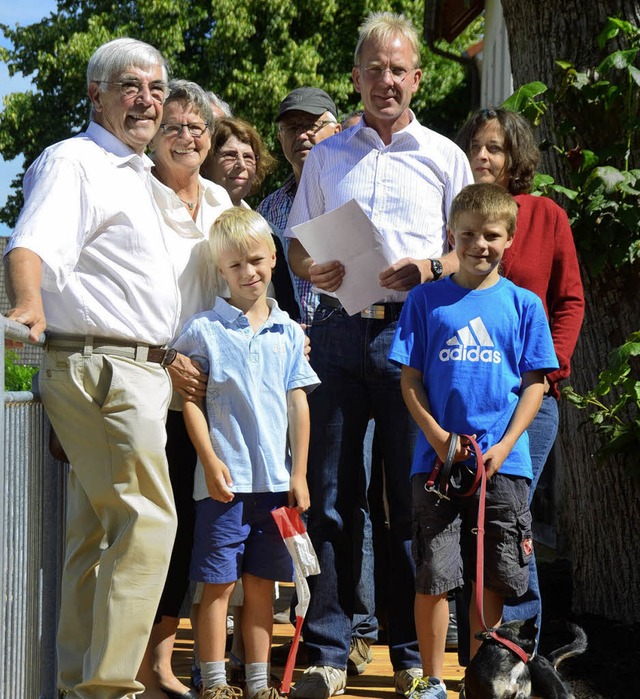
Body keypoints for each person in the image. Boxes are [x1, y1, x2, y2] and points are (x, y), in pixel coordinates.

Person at [285, 12, 473, 699]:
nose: (386, 80)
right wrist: (312, 269)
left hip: (412, 336)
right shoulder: (328, 156)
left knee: (411, 498)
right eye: (374, 68)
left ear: (417, 77)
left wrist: (432, 264)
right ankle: (330, 649)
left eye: (398, 69)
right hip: (336, 331)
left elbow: (467, 248)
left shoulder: (446, 155)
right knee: (331, 498)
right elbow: (296, 243)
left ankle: (411, 656)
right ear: (357, 77)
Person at [3, 38, 180, 699]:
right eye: (129, 85)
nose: (146, 99)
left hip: (130, 368)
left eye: (156, 88)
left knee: (94, 538)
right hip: (102, 364)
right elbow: (30, 243)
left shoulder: (137, 173)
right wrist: (26, 306)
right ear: (95, 95)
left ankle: (80, 681)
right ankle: (107, 689)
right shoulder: (75, 161)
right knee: (148, 521)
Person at [389, 182, 559, 699]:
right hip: (438, 463)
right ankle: (433, 679)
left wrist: (505, 447)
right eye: (467, 234)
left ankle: (479, 679)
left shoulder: (524, 305)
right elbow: (410, 379)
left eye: (491, 235)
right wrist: (440, 439)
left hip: (503, 464)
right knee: (434, 571)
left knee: (494, 572)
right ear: (451, 235)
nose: (479, 244)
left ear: (509, 239)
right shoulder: (425, 301)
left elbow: (536, 383)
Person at [173, 207, 320, 699]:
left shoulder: (289, 334)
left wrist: (298, 473)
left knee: (263, 587)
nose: (248, 273)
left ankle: (259, 683)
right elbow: (189, 401)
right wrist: (211, 462)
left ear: (274, 258)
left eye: (256, 260)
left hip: (276, 486)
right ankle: (214, 681)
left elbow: (298, 403)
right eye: (235, 266)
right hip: (222, 484)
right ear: (221, 271)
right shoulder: (204, 330)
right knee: (215, 585)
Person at [454, 108, 585, 653]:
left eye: (496, 148)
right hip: (465, 392)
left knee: (511, 516)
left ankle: (517, 646)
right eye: (476, 147)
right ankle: (472, 643)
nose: (483, 157)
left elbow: (570, 300)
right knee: (462, 514)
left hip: (528, 399)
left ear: (516, 158)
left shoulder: (545, 215)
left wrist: (545, 371)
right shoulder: (458, 210)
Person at [137, 78, 233, 699]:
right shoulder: (138, 193)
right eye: (174, 126)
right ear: (153, 138)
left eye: (198, 128)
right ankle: (144, 666)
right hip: (153, 385)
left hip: (214, 392)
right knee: (156, 527)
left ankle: (163, 665)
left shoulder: (222, 199)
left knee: (197, 529)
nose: (187, 137)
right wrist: (166, 357)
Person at [257, 87, 341, 326]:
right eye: (292, 128)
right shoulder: (267, 210)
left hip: (349, 338)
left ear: (338, 131)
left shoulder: (354, 193)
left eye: (311, 125)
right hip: (288, 342)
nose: (302, 135)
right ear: (280, 137)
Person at [203, 117, 299, 321]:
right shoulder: (194, 222)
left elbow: (286, 302)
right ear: (207, 160)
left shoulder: (267, 230)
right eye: (229, 155)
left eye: (248, 157)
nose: (241, 165)